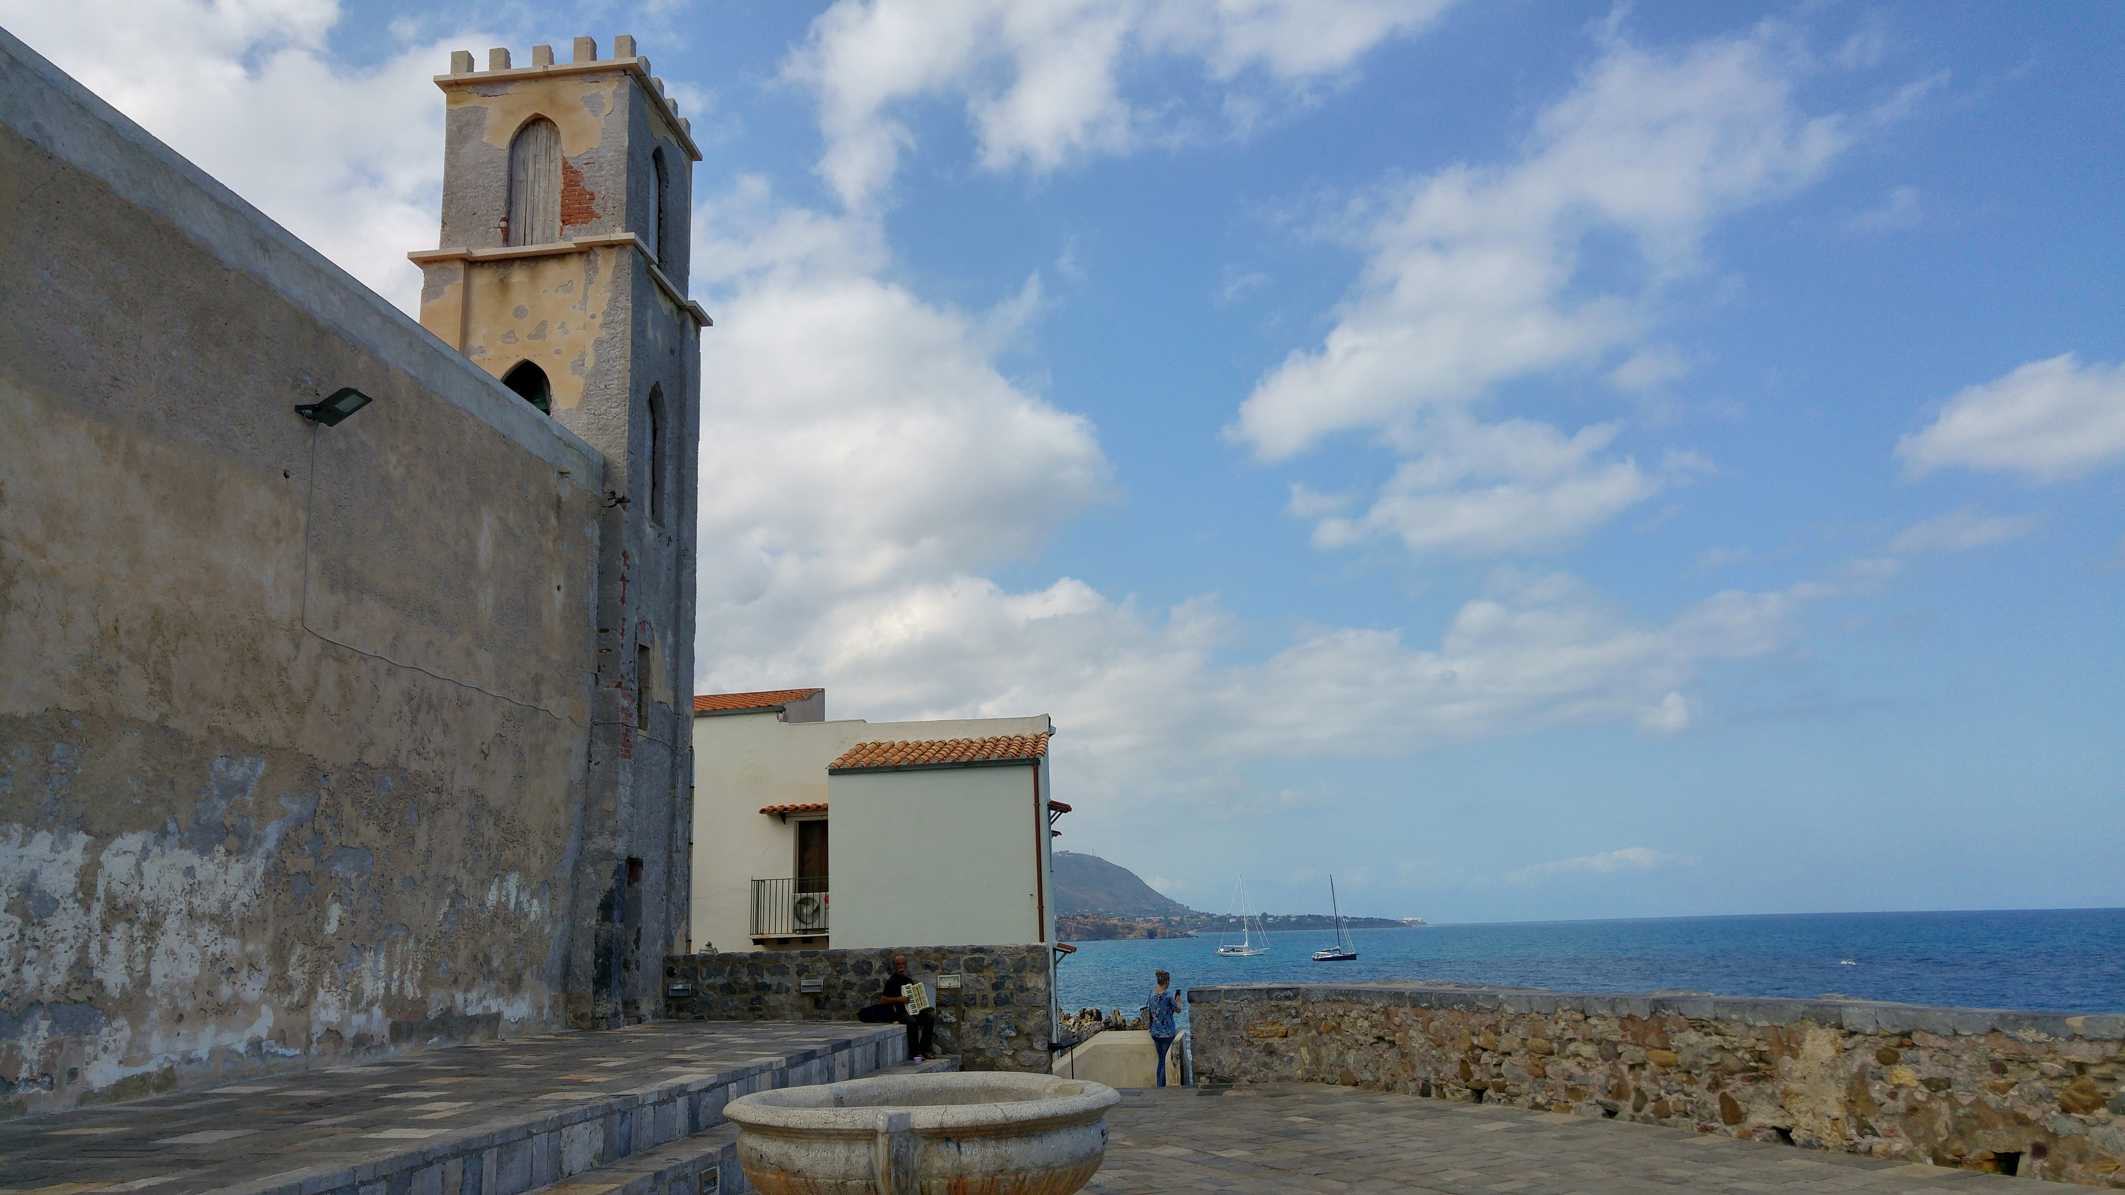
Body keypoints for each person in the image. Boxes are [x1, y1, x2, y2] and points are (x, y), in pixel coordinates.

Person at [880, 953, 936, 1062]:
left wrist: (921, 1004)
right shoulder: (891, 981)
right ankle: (915, 1053)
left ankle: (925, 1049)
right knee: (912, 1022)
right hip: (899, 1013)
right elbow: (883, 1000)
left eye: (903, 964)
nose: (901, 966)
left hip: (912, 1010)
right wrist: (898, 999)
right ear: (895, 966)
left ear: (906, 965)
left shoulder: (908, 980)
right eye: (898, 964)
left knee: (930, 1016)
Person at [1147, 969, 1181, 1087]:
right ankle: (1161, 1087)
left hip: (1155, 1032)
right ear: (1166, 981)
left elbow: (1151, 1012)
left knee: (1161, 1060)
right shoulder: (1168, 996)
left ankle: (1159, 1085)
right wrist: (1178, 1000)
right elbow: (1178, 1010)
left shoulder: (1151, 994)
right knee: (1163, 1061)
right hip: (1167, 1033)